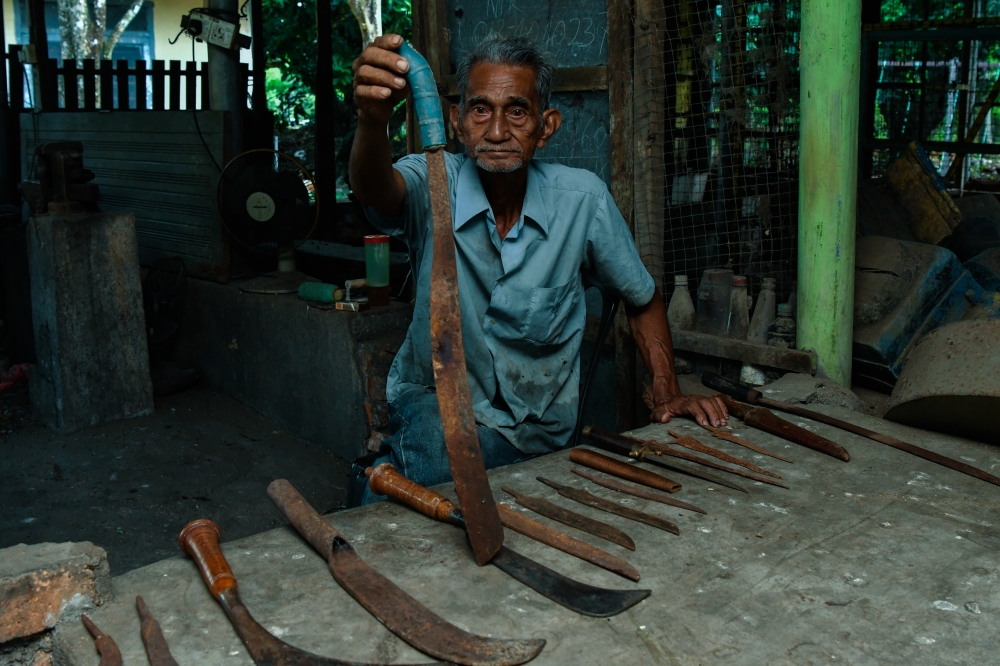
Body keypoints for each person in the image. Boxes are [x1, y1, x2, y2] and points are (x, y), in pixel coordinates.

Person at [351, 33, 727, 503]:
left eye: (517, 111)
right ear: (457, 122)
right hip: (438, 405)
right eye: (480, 110)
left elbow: (642, 297)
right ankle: (389, 473)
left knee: (405, 491)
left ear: (546, 126)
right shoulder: (433, 180)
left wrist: (667, 389)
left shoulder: (582, 201)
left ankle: (380, 472)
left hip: (538, 430)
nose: (496, 132)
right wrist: (371, 122)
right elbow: (375, 190)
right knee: (435, 467)